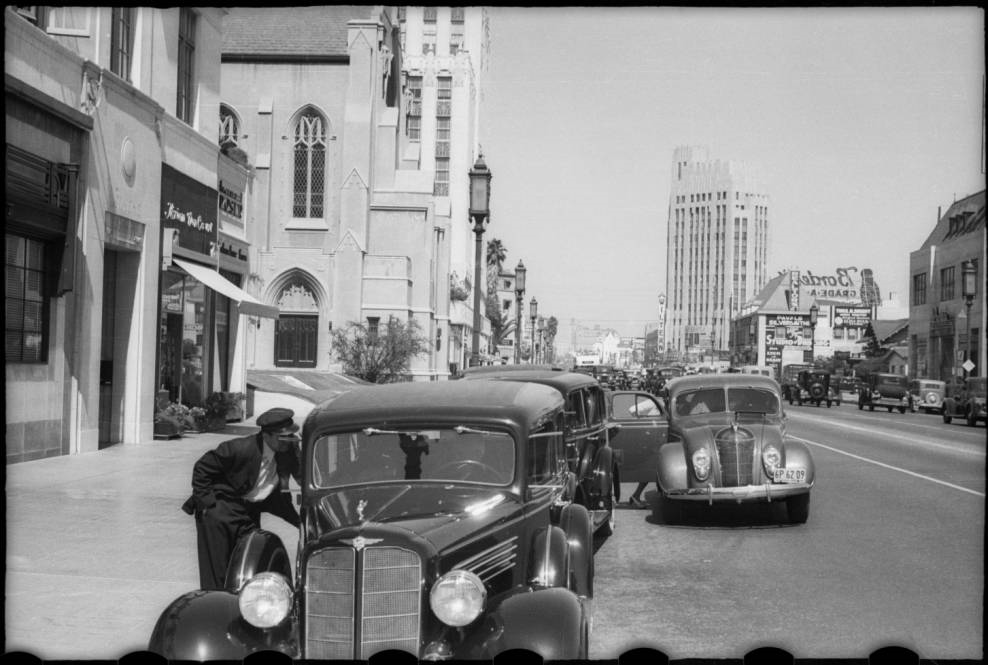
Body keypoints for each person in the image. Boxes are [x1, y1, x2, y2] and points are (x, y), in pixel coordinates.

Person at [181, 407, 302, 590]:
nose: (288, 441)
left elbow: (302, 479)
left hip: (249, 513)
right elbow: (202, 468)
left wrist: (302, 523)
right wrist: (207, 505)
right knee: (217, 572)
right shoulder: (239, 448)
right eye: (283, 437)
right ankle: (217, 608)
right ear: (267, 436)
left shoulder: (288, 452)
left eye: (291, 435)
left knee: (250, 561)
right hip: (221, 511)